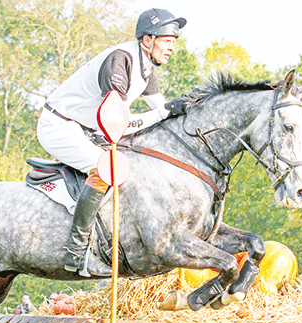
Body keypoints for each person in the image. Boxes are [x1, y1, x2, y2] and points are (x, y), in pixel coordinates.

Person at [37, 8, 189, 278]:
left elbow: (161, 110)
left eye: (173, 42)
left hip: (86, 129)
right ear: (147, 40)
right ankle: (77, 252)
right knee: (110, 169)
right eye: (167, 40)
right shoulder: (120, 61)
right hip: (60, 126)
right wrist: (164, 111)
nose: (171, 48)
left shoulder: (145, 67)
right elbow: (115, 123)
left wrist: (182, 110)